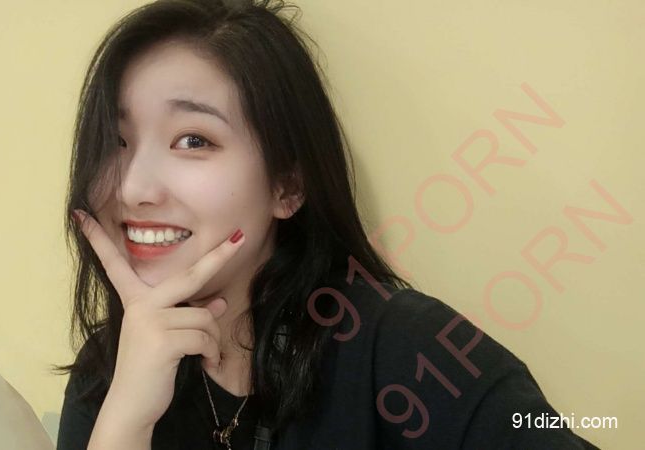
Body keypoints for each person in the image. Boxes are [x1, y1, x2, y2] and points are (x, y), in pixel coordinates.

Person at [55, 1, 599, 449]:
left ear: (287, 187)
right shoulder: (108, 370)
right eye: (116, 141)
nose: (132, 189)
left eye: (193, 140)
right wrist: (125, 422)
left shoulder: (405, 349)